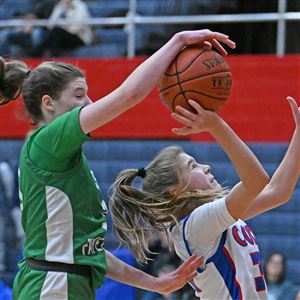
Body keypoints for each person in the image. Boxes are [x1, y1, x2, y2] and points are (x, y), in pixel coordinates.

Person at [0, 29, 235, 299]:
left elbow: (90, 253)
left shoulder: (64, 157)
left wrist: (154, 283)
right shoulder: (47, 141)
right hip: (51, 285)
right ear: (48, 103)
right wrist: (178, 41)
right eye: (78, 95)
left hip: (67, 282)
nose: (88, 103)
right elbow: (129, 95)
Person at [109, 96, 300, 299]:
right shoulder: (196, 225)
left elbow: (277, 192)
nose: (206, 167)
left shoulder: (210, 217)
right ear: (175, 189)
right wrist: (216, 125)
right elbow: (257, 181)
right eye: (193, 166)